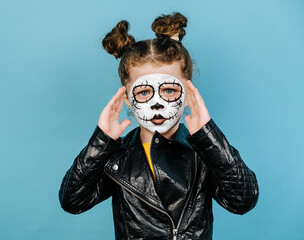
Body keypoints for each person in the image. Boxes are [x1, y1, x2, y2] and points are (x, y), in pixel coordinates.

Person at [59, 12, 259, 240]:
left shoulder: (204, 152)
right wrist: (102, 141)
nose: (157, 103)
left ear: (187, 94)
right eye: (144, 92)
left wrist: (208, 135)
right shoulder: (116, 157)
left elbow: (243, 200)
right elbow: (72, 201)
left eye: (169, 90)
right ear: (127, 98)